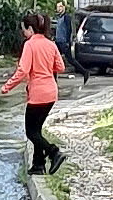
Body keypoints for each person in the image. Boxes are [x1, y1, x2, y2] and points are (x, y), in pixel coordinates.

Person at [5, 21, 67, 175]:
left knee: (31, 132)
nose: (23, 33)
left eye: (24, 29)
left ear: (30, 29)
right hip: (51, 93)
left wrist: (7, 86)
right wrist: (45, 66)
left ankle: (54, 153)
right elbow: (60, 67)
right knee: (37, 130)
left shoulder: (30, 45)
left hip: (37, 94)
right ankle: (38, 165)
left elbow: (23, 70)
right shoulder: (50, 44)